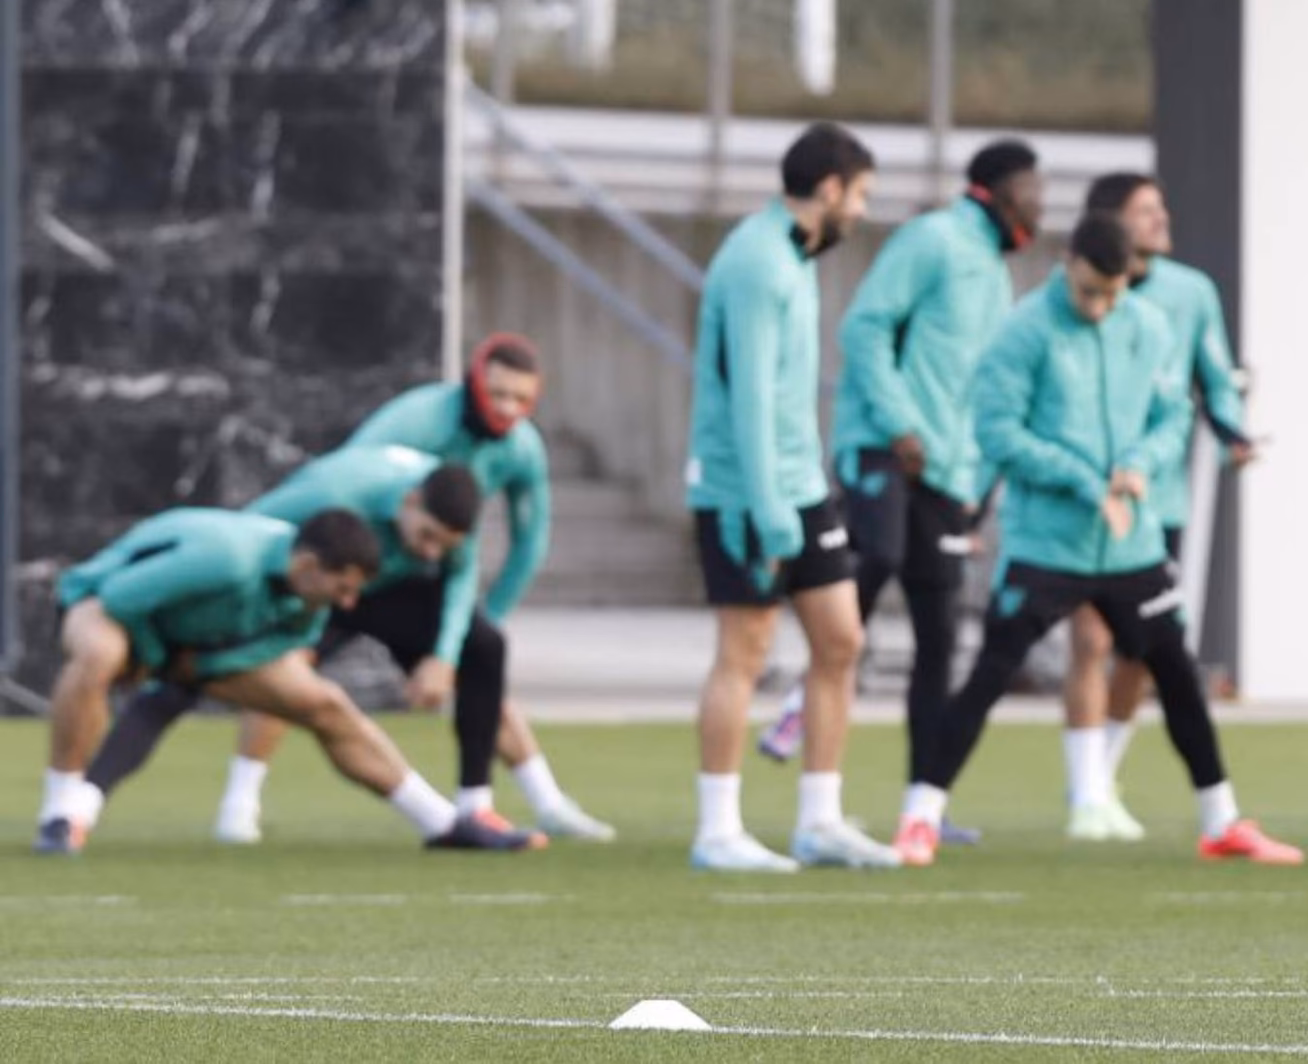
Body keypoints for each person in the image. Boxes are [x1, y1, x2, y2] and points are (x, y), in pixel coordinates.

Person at [891, 214, 1304, 868]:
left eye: (1113, 293)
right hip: (1048, 544)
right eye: (1090, 292)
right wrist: (1084, 481)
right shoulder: (1023, 331)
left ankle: (1220, 820)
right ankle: (920, 816)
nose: (1102, 306)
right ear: (1067, 263)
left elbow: (1172, 415)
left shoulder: (1147, 325)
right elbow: (999, 432)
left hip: (1131, 544)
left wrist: (1140, 463)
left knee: (1174, 671)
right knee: (991, 672)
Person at [92, 335, 613, 843]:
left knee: (481, 649)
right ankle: (222, 804)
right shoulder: (385, 450)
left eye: (520, 398)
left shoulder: (497, 477)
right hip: (330, 572)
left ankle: (496, 808)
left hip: (391, 579)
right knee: (254, 679)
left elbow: (486, 553)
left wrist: (445, 655)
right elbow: (258, 534)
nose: (506, 407)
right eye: (497, 392)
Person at [756, 140, 1043, 849]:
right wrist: (901, 424)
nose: (1039, 203)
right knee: (873, 554)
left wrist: (973, 489)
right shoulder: (934, 238)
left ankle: (925, 806)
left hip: (946, 472)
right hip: (883, 443)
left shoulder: (997, 276)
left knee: (939, 637)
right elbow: (865, 328)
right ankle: (803, 696)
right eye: (1032, 188)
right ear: (997, 190)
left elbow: (982, 391)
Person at [34, 508, 538, 854]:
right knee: (101, 654)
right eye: (341, 589)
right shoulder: (230, 558)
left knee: (326, 703)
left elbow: (278, 647)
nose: (347, 604)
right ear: (308, 565)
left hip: (189, 648)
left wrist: (199, 666)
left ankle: (444, 825)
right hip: (103, 605)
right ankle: (62, 815)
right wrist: (154, 657)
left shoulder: (307, 596)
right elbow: (122, 598)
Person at [686, 121, 900, 871]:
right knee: (744, 651)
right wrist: (765, 509)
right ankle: (717, 831)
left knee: (842, 641)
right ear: (831, 188)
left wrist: (799, 491)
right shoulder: (756, 262)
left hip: (802, 486)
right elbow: (747, 395)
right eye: (862, 195)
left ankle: (819, 819)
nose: (864, 212)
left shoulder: (796, 256)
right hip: (745, 492)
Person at [1055, 173, 1256, 840]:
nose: (1161, 219)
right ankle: (1085, 794)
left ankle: (1101, 780)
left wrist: (1234, 434)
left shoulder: (1189, 292)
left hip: (1153, 500)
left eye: (1160, 207)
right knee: (1091, 637)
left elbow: (1212, 377)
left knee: (1143, 650)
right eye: (1146, 211)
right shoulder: (1066, 300)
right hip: (1079, 492)